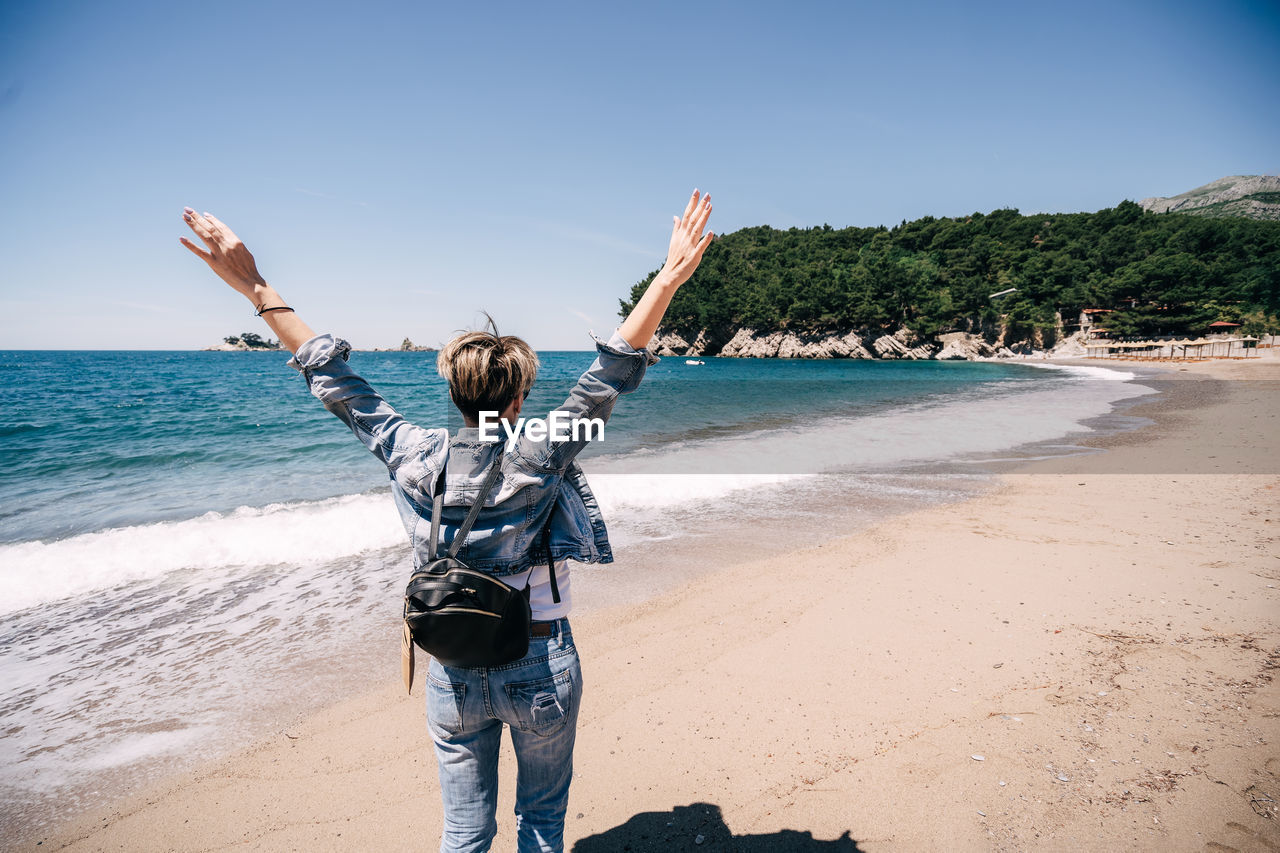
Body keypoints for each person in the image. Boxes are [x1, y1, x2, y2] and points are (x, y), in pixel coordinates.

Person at [179, 190, 713, 853]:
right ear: (517, 397)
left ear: (454, 391)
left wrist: (255, 284)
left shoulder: (410, 451)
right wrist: (666, 278)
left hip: (452, 664)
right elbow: (607, 376)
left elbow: (331, 375)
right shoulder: (537, 451)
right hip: (540, 659)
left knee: (463, 831)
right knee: (541, 824)